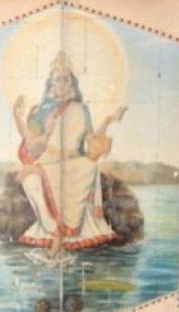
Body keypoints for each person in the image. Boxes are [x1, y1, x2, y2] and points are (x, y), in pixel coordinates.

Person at [12, 52, 125, 253]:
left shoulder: (81, 109)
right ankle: (54, 229)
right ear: (51, 83)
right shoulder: (42, 110)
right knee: (28, 179)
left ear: (72, 83)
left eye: (66, 79)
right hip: (48, 162)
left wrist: (109, 120)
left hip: (76, 165)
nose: (62, 84)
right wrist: (18, 117)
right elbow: (30, 140)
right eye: (58, 79)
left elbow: (91, 140)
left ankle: (58, 237)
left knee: (80, 167)